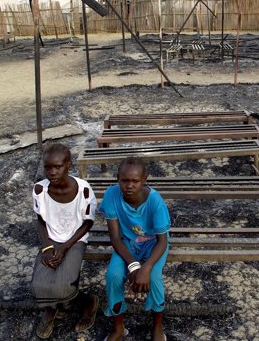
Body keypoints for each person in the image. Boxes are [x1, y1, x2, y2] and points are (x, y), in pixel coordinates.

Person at [30, 143, 100, 339]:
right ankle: (52, 309)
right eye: (47, 167)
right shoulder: (39, 190)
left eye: (58, 166)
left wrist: (65, 247)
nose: (52, 172)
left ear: (69, 165)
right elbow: (41, 220)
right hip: (51, 240)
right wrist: (47, 247)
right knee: (37, 287)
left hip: (75, 240)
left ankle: (88, 302)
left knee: (63, 286)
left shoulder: (83, 190)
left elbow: (87, 223)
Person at [99, 157, 170, 341]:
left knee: (153, 277)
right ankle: (118, 327)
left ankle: (157, 327)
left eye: (135, 181)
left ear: (144, 179)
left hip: (153, 244)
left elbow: (162, 241)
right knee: (113, 276)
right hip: (127, 243)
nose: (129, 185)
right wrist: (133, 265)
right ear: (117, 178)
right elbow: (115, 237)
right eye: (125, 180)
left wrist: (145, 269)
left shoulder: (155, 202)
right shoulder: (112, 195)